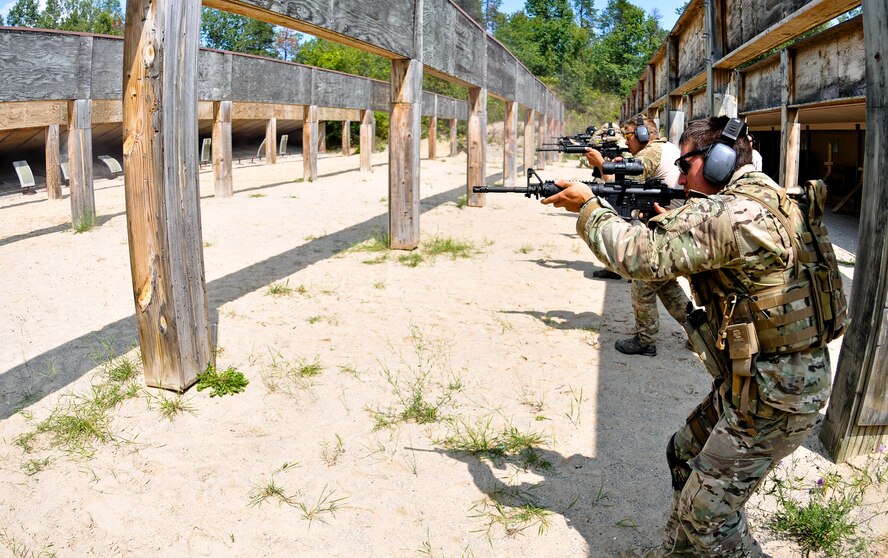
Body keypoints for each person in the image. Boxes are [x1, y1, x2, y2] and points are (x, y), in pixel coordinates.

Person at [541, 115, 845, 557]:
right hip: (761, 380)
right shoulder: (766, 197)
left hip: (779, 392)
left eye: (686, 166)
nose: (680, 177)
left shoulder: (735, 213)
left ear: (719, 161)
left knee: (709, 519)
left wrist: (590, 207)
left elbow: (638, 257)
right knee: (684, 454)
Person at [584, 115, 687, 357]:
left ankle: (646, 341)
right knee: (666, 287)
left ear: (643, 135)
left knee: (642, 283)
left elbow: (622, 184)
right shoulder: (664, 148)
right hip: (670, 224)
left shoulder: (651, 153)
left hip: (666, 226)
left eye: (629, 136)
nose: (626, 141)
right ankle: (700, 333)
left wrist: (602, 165)